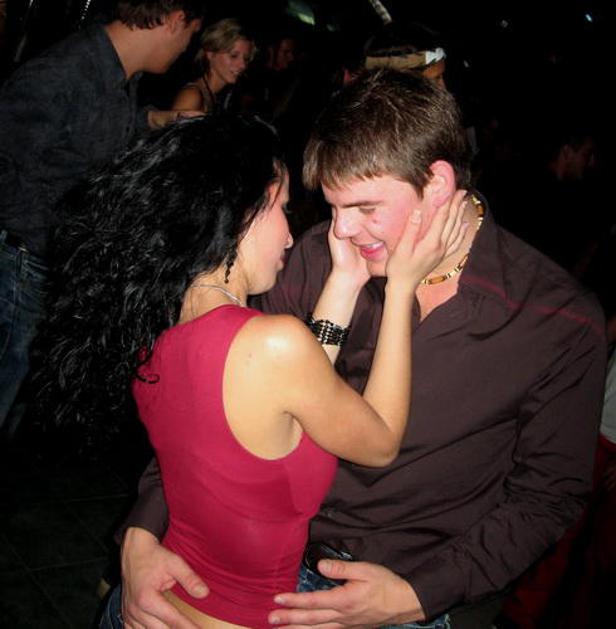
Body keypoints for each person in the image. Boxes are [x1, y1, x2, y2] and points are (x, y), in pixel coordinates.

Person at [115, 69, 606, 629]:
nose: (343, 231)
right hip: (245, 565)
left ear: (437, 184)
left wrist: (419, 595)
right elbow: (212, 404)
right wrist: (143, 531)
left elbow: (548, 496)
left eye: (366, 208)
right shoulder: (315, 259)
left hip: (390, 597)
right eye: (333, 207)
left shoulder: (555, 319)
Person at [33, 113, 463, 629]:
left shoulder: (155, 329)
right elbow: (382, 441)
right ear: (243, 214)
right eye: (283, 209)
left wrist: (345, 282)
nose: (291, 236)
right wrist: (401, 287)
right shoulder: (270, 344)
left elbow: (294, 397)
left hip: (154, 606)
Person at [0, 0, 205, 433]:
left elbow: (88, 133)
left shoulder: (116, 75)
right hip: (20, 266)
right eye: (190, 36)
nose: (186, 49)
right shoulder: (65, 71)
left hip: (46, 266)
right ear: (175, 21)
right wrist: (64, 234)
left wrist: (156, 119)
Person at [172, 18, 254, 115]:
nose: (243, 65)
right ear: (210, 54)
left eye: (246, 58)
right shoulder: (192, 96)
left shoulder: (219, 95)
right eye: (233, 56)